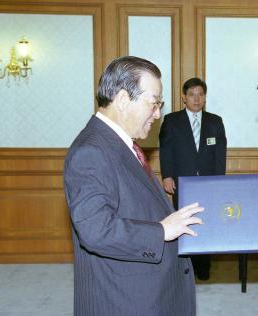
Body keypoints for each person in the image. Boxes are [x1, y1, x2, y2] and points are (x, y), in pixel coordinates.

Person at [64, 56, 203, 315]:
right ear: (123, 100)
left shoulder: (120, 143)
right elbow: (95, 230)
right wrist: (161, 231)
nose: (158, 113)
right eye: (154, 103)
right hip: (125, 300)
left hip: (146, 291)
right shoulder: (91, 151)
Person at [159, 77, 227, 280]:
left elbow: (220, 155)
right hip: (182, 182)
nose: (196, 99)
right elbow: (166, 150)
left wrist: (219, 181)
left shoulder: (215, 121)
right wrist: (167, 176)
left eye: (200, 94)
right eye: (192, 94)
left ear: (205, 97)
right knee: (183, 224)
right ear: (184, 97)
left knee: (205, 224)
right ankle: (184, 268)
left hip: (208, 184)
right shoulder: (172, 121)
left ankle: (203, 268)